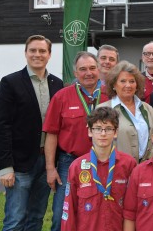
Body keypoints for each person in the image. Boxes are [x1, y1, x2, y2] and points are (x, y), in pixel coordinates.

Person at [0, 35, 63, 230]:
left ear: (49, 55)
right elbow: (2, 125)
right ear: (26, 53)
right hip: (19, 164)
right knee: (15, 220)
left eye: (42, 51)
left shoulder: (57, 84)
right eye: (33, 50)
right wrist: (5, 166)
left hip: (47, 162)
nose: (37, 54)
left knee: (36, 218)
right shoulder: (10, 82)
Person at [43, 51, 109, 231]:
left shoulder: (110, 95)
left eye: (92, 68)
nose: (88, 73)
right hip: (69, 163)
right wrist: (50, 168)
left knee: (100, 213)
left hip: (104, 162)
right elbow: (51, 133)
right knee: (60, 214)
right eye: (83, 69)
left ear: (99, 69)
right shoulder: (62, 96)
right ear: (75, 73)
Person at [61, 107, 137, 231]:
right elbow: (69, 209)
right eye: (97, 129)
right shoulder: (77, 167)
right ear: (90, 131)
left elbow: (134, 208)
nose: (103, 134)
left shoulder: (128, 164)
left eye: (108, 129)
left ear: (116, 132)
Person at [97, 60, 153, 162]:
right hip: (117, 168)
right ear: (114, 85)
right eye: (123, 81)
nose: (128, 85)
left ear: (137, 85)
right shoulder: (103, 110)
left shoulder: (148, 108)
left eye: (132, 81)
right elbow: (99, 144)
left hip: (146, 168)